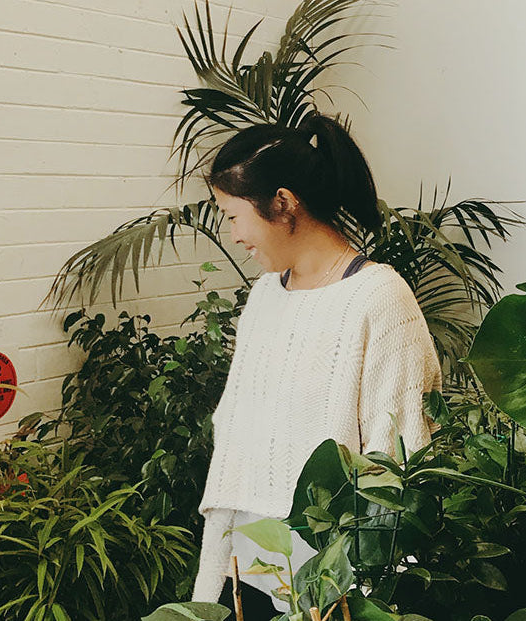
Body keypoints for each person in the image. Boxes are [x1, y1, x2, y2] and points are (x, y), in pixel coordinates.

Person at [190, 113, 443, 613]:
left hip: (334, 584)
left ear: (283, 204)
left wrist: (372, 593)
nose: (233, 233)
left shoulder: (379, 297)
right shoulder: (264, 296)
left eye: (234, 214)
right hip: (248, 570)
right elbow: (240, 437)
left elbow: (401, 457)